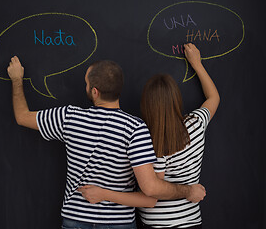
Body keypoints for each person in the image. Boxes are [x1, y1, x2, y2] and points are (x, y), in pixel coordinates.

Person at [6, 56, 206, 229]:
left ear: (94, 91)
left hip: (76, 219)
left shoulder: (69, 117)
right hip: (119, 222)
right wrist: (188, 190)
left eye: (86, 83)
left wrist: (16, 79)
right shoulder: (136, 128)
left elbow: (22, 117)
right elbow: (150, 194)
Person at [78, 43, 220, 229]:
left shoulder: (151, 140)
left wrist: (104, 193)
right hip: (191, 220)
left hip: (156, 223)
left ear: (147, 104)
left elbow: (153, 191)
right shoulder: (196, 123)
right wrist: (197, 64)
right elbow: (213, 98)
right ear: (177, 98)